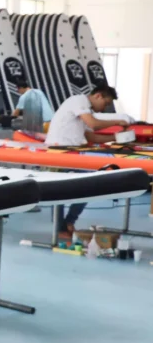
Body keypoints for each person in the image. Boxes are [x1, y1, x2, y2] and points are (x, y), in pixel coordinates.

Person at [45, 85, 122, 236]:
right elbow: (94, 124)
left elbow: (91, 137)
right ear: (98, 96)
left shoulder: (85, 110)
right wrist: (118, 121)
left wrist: (118, 138)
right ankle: (62, 227)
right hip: (58, 152)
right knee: (60, 190)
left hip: (72, 153)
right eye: (106, 103)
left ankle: (68, 222)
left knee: (91, 184)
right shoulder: (79, 101)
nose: (105, 108)